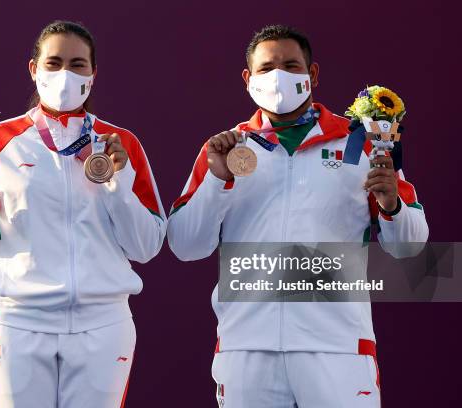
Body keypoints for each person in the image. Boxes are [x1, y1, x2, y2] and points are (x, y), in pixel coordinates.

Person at [167, 25, 428, 407]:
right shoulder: (226, 149)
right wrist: (217, 180)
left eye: (291, 66)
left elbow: (411, 247)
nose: (279, 77)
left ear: (313, 75)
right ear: (248, 78)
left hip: (337, 350)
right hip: (247, 349)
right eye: (267, 67)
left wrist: (391, 204)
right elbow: (186, 245)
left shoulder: (360, 143)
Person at [0, 20, 167, 408]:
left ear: (94, 74)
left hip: (103, 325)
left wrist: (116, 183)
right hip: (15, 324)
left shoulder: (120, 143)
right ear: (34, 69)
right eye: (55, 62)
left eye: (78, 64)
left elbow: (146, 246)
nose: (65, 74)